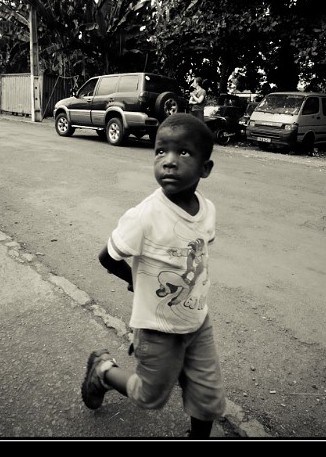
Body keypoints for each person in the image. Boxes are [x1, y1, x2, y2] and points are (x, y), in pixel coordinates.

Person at [82, 113, 226, 438]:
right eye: (161, 151)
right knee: (149, 396)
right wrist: (134, 281)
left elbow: (196, 256)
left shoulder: (207, 210)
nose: (169, 161)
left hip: (197, 321)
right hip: (157, 328)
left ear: (205, 168)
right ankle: (103, 371)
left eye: (183, 152)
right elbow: (108, 257)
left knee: (208, 398)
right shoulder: (145, 215)